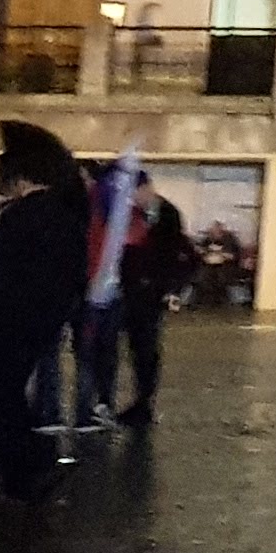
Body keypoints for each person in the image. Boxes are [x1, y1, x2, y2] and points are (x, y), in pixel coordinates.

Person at [0, 124, 96, 491]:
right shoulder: (65, 213)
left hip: (12, 320)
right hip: (43, 318)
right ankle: (20, 461)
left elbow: (2, 277)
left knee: (5, 391)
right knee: (8, 390)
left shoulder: (21, 216)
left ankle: (24, 466)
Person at [74, 153, 146, 427]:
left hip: (111, 292)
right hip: (91, 291)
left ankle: (99, 405)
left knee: (103, 351)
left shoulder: (121, 212)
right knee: (90, 351)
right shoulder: (88, 211)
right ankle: (88, 409)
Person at [116, 175, 191, 426]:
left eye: (135, 192)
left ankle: (144, 401)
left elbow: (173, 252)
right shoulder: (133, 213)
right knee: (135, 347)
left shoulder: (167, 214)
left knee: (146, 348)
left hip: (150, 291)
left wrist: (170, 287)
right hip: (131, 288)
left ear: (146, 188)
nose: (133, 198)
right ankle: (139, 401)